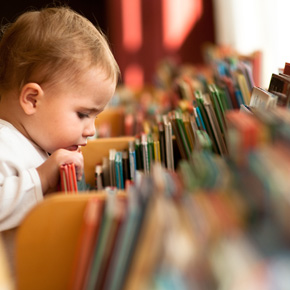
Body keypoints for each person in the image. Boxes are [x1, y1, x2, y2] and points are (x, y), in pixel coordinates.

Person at [0, 5, 120, 273]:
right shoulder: (4, 144)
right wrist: (41, 178)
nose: (91, 130)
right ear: (32, 99)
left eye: (95, 118)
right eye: (83, 114)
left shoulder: (40, 142)